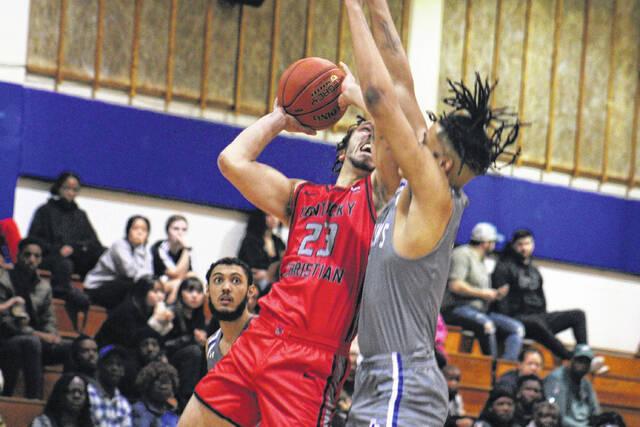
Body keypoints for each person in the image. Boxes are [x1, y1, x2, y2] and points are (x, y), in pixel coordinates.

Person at [179, 44, 401, 426]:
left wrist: (353, 97)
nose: (371, 135)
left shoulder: (379, 198)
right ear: (341, 149)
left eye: (377, 135)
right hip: (261, 335)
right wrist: (281, 117)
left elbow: (400, 133)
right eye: (363, 129)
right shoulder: (302, 196)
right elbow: (231, 162)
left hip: (311, 359)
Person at [344, 0, 520, 425]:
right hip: (380, 377)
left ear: (440, 164)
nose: (419, 136)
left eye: (427, 141)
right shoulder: (427, 184)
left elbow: (380, 96)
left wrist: (350, 6)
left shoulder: (437, 198)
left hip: (402, 381)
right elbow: (401, 84)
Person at [492, 229, 607, 374]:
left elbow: (541, 298)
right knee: (537, 323)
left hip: (539, 317)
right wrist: (508, 323)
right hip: (518, 319)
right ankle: (572, 359)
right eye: (520, 244)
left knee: (578, 314)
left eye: (527, 243)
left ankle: (584, 355)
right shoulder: (503, 267)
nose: (523, 248)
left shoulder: (534, 271)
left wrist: (547, 320)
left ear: (532, 245)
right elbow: (501, 300)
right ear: (514, 246)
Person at [28, 172, 103, 327]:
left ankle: (93, 294)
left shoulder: (80, 215)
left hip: (75, 258)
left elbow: (94, 242)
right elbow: (33, 239)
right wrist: (57, 250)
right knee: (63, 264)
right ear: (58, 188)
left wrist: (75, 249)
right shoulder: (45, 211)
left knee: (102, 253)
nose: (70, 193)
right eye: (67, 188)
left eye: (75, 189)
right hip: (51, 257)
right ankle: (64, 291)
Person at [442, 222, 524, 360]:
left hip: (480, 310)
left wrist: (494, 294)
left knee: (517, 328)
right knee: (487, 325)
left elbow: (478, 289)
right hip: (456, 308)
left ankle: (505, 370)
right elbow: (455, 285)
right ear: (486, 243)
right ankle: (490, 370)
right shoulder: (462, 254)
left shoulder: (481, 261)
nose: (494, 246)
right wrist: (483, 293)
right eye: (493, 242)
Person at [0, 237, 69, 399]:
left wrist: (52, 337)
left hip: (37, 341)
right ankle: (34, 399)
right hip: (8, 339)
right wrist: (39, 335)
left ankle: (64, 398)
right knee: (32, 342)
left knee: (73, 347)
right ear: (18, 256)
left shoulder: (44, 287)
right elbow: (5, 322)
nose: (31, 260)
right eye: (27, 255)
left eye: (36, 256)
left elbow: (49, 319)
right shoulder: (4, 279)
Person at [84, 215, 153, 310]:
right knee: (130, 285)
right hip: (97, 288)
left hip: (117, 287)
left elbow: (148, 275)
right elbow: (130, 272)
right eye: (135, 228)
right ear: (128, 230)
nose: (140, 232)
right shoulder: (119, 245)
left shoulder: (145, 250)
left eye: (144, 230)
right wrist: (138, 249)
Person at [204, 257, 257, 371]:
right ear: (207, 290)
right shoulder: (211, 344)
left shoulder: (269, 331)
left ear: (250, 291)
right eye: (218, 280)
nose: (226, 288)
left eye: (236, 280)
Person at [163, 276, 207, 410]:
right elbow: (164, 344)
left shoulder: (200, 315)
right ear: (180, 292)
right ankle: (185, 402)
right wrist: (190, 339)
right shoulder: (170, 312)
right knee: (195, 352)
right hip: (170, 358)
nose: (194, 295)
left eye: (199, 292)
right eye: (190, 290)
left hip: (191, 359)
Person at [95, 275, 173, 349]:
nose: (160, 296)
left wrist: (166, 324)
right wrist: (155, 321)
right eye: (155, 291)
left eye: (162, 292)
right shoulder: (124, 312)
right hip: (111, 348)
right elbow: (136, 341)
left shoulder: (152, 309)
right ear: (142, 293)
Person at [543, 344, 600, 427]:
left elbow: (596, 412)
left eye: (586, 362)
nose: (582, 365)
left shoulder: (585, 382)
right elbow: (557, 416)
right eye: (579, 360)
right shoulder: (556, 378)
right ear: (571, 359)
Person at [237, 209, 285, 295]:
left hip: (273, 281)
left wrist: (268, 274)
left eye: (276, 215)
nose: (274, 219)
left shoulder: (279, 242)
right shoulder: (251, 240)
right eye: (269, 215)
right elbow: (251, 267)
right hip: (254, 283)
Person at [151, 215, 193, 303]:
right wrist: (187, 250)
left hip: (175, 281)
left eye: (184, 230)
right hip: (157, 284)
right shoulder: (160, 247)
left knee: (194, 281)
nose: (180, 233)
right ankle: (168, 314)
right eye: (176, 229)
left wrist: (186, 250)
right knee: (178, 284)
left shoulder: (183, 250)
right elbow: (174, 273)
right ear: (167, 231)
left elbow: (189, 273)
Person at [88, 345, 132, 426]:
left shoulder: (124, 404)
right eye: (109, 363)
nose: (114, 368)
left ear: (123, 372)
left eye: (119, 365)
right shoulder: (88, 394)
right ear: (99, 367)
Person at [132, 361, 180, 427]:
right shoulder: (140, 409)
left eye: (167, 381)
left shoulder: (173, 415)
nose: (164, 386)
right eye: (158, 380)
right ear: (147, 384)